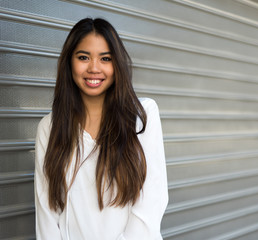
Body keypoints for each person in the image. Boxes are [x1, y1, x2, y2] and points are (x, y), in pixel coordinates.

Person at [34, 18, 168, 240]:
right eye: (83, 57)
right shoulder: (49, 127)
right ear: (69, 62)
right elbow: (46, 214)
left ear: (117, 65)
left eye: (105, 58)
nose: (94, 68)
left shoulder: (142, 117)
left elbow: (150, 206)